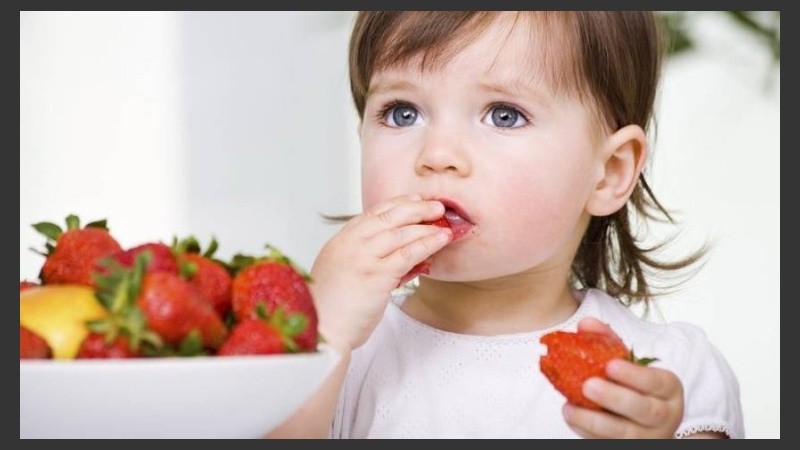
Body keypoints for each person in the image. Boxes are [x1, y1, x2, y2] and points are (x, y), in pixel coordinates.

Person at [269, 11, 745, 439]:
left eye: (504, 115)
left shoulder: (665, 378)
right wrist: (320, 334)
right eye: (402, 113)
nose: (437, 155)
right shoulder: (343, 356)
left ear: (609, 173)